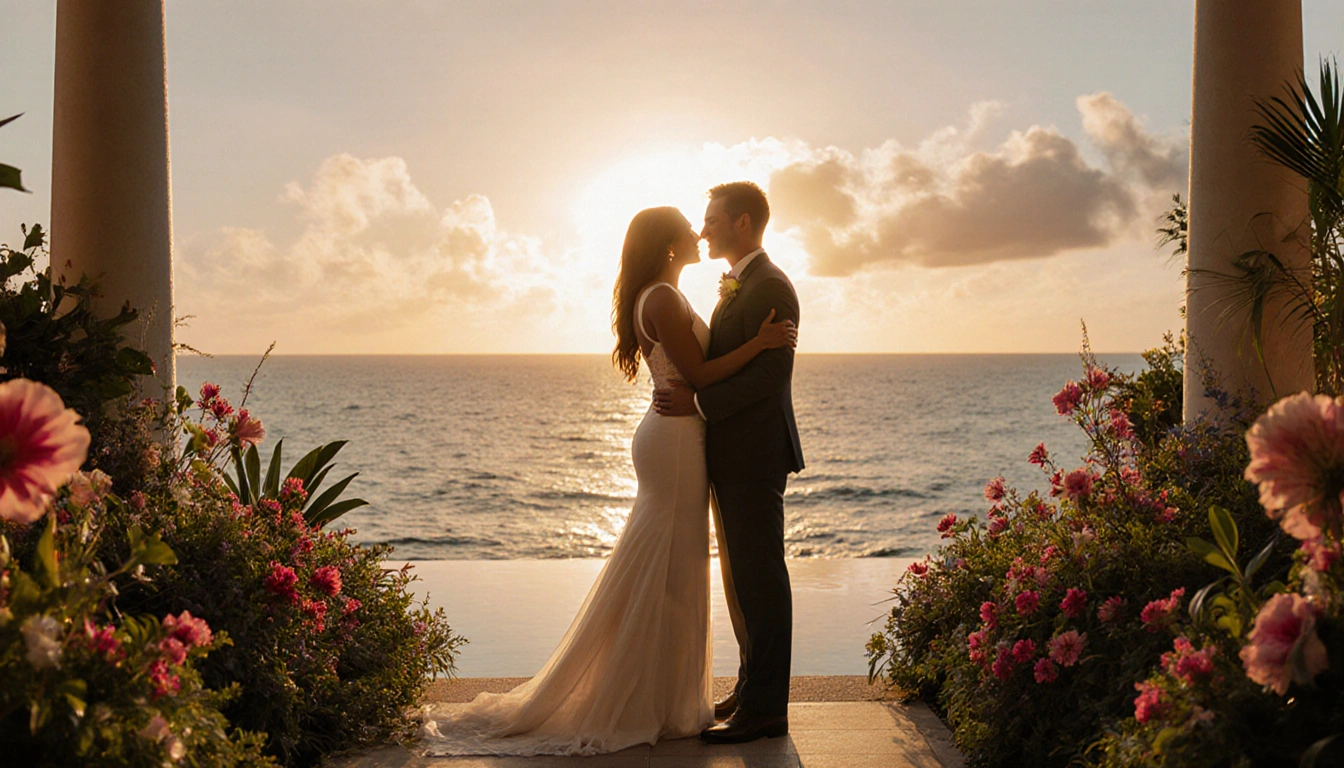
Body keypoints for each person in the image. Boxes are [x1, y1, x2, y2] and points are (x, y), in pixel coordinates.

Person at [417, 205, 796, 756]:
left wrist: (727, 377)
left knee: (672, 569)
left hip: (684, 439)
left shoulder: (679, 291)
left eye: (708, 220)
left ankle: (668, 695)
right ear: (668, 246)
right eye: (690, 227)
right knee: (662, 567)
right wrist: (759, 344)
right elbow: (701, 374)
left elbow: (706, 375)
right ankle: (642, 696)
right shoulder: (662, 298)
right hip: (674, 443)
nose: (699, 231)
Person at [654, 181, 805, 744]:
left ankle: (767, 710)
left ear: (743, 222)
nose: (703, 227)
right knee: (742, 579)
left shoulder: (772, 286)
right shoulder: (740, 285)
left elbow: (772, 377)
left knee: (762, 579)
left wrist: (699, 403)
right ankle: (750, 687)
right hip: (731, 453)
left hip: (755, 453)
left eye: (713, 218)